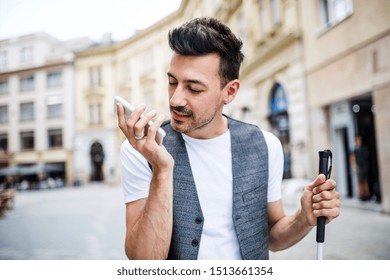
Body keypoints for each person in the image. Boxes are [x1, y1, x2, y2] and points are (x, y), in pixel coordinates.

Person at [116, 17, 340, 260]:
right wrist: (162, 171)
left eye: (194, 88)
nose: (175, 99)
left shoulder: (265, 145)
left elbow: (272, 237)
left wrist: (303, 218)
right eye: (172, 82)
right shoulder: (140, 148)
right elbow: (144, 261)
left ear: (230, 91)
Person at [350, 134, 370, 201]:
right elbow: (352, 159)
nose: (359, 141)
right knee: (360, 182)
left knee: (365, 181)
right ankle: (361, 195)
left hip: (364, 167)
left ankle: (366, 195)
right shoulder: (354, 150)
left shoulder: (363, 149)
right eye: (357, 140)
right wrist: (355, 168)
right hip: (359, 168)